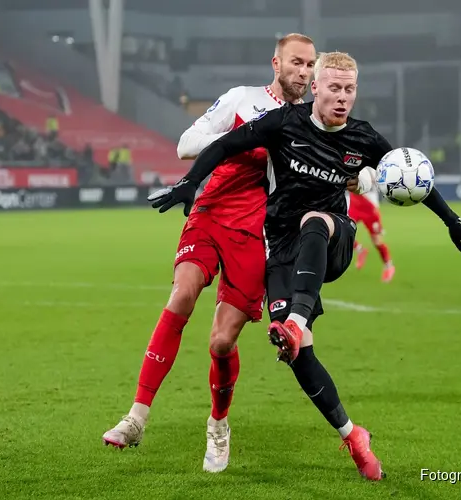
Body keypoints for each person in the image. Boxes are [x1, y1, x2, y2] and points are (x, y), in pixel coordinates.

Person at [149, 51, 461, 481]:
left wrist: (452, 220)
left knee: (316, 221)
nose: (343, 98)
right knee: (296, 352)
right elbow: (226, 144)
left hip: (333, 238)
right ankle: (352, 434)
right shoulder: (285, 122)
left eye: (350, 90)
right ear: (317, 88)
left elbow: (413, 179)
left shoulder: (363, 139)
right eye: (335, 89)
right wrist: (189, 184)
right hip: (283, 249)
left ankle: (296, 320)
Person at [102, 33, 317, 474]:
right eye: (297, 62)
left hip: (256, 235)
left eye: (310, 65)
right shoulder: (242, 100)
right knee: (181, 295)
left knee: (221, 342)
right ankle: (136, 417)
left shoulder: (309, 125)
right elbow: (187, 143)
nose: (304, 71)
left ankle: (218, 424)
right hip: (211, 211)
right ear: (275, 64)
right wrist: (239, 138)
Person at [347, 190, 395, 282]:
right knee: (344, 231)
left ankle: (389, 266)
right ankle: (360, 249)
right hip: (355, 203)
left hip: (370, 207)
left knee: (377, 242)